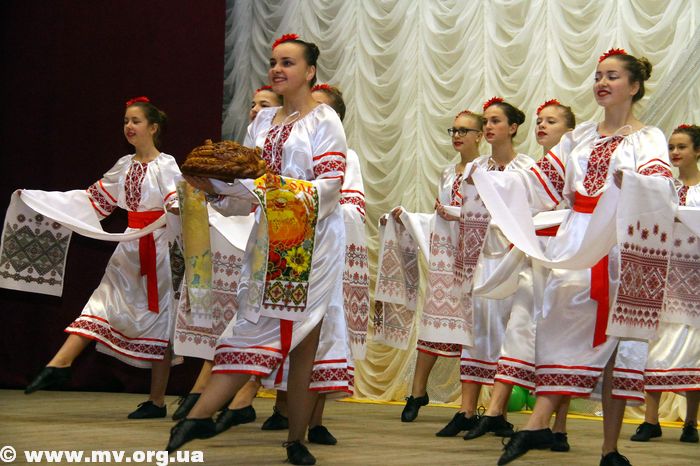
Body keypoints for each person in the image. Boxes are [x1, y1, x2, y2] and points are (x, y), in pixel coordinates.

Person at [466, 49, 674, 466]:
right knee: (563, 328)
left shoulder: (647, 137)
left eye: (612, 76)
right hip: (574, 243)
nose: (602, 83)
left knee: (615, 350)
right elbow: (540, 183)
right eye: (598, 76)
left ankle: (607, 447)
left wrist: (631, 182)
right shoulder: (578, 138)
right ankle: (540, 424)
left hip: (618, 244)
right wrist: (494, 182)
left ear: (634, 86)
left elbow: (661, 186)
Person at [166, 34, 348, 466]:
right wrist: (214, 190)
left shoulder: (324, 120)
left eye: (288, 63)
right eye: (274, 62)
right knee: (294, 338)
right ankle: (293, 439)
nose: (277, 70)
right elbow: (244, 194)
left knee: (275, 329)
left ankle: (204, 416)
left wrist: (264, 188)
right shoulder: (262, 122)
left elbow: (330, 188)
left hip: (311, 243)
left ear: (310, 72)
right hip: (267, 240)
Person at [22, 97, 181, 418]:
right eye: (125, 121)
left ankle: (157, 401)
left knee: (161, 321)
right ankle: (60, 363)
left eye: (136, 121)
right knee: (102, 302)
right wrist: (42, 203)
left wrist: (181, 210)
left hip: (159, 249)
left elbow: (176, 203)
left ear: (153, 127)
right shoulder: (124, 165)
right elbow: (94, 201)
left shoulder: (166, 165)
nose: (129, 126)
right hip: (130, 246)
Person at [256, 83, 369, 445]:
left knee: (323, 333)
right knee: (288, 326)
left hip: (324, 253)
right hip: (289, 247)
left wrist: (304, 199)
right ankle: (284, 410)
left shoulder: (347, 157)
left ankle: (314, 421)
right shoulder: (284, 137)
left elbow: (351, 207)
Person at [462, 100, 577, 449]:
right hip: (533, 255)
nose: (542, 126)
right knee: (519, 329)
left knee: (559, 339)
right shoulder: (534, 171)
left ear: (569, 132)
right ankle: (495, 411)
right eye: (540, 121)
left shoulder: (575, 165)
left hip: (563, 258)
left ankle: (559, 428)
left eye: (551, 121)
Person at [171, 85, 282, 428]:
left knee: (261, 322)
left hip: (279, 237)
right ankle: (220, 395)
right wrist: (212, 191)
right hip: (247, 240)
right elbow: (237, 201)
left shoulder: (283, 151)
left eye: (265, 105)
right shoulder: (244, 152)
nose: (255, 110)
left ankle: (235, 397)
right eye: (253, 104)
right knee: (239, 319)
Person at [379, 109, 483, 427]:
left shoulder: (486, 170)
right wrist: (408, 219)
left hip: (475, 260)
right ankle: (417, 392)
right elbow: (440, 219)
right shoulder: (447, 173)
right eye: (454, 130)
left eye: (464, 130)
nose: (457, 135)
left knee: (473, 333)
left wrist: (456, 214)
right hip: (445, 260)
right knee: (433, 326)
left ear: (480, 136)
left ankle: (469, 407)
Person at [445, 99, 534, 438]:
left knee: (506, 335)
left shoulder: (526, 168)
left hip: (511, 260)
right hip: (479, 260)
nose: (489, 126)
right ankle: (466, 410)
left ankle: (498, 412)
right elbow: (468, 211)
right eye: (486, 121)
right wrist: (450, 213)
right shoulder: (476, 168)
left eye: (496, 120)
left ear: (513, 127)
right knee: (475, 334)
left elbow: (533, 212)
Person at [630, 123, 700, 444]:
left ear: (697, 151)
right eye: (671, 147)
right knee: (656, 345)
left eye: (681, 147)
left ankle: (691, 423)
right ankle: (651, 420)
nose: (674, 152)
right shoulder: (664, 187)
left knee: (695, 349)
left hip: (695, 279)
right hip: (666, 276)